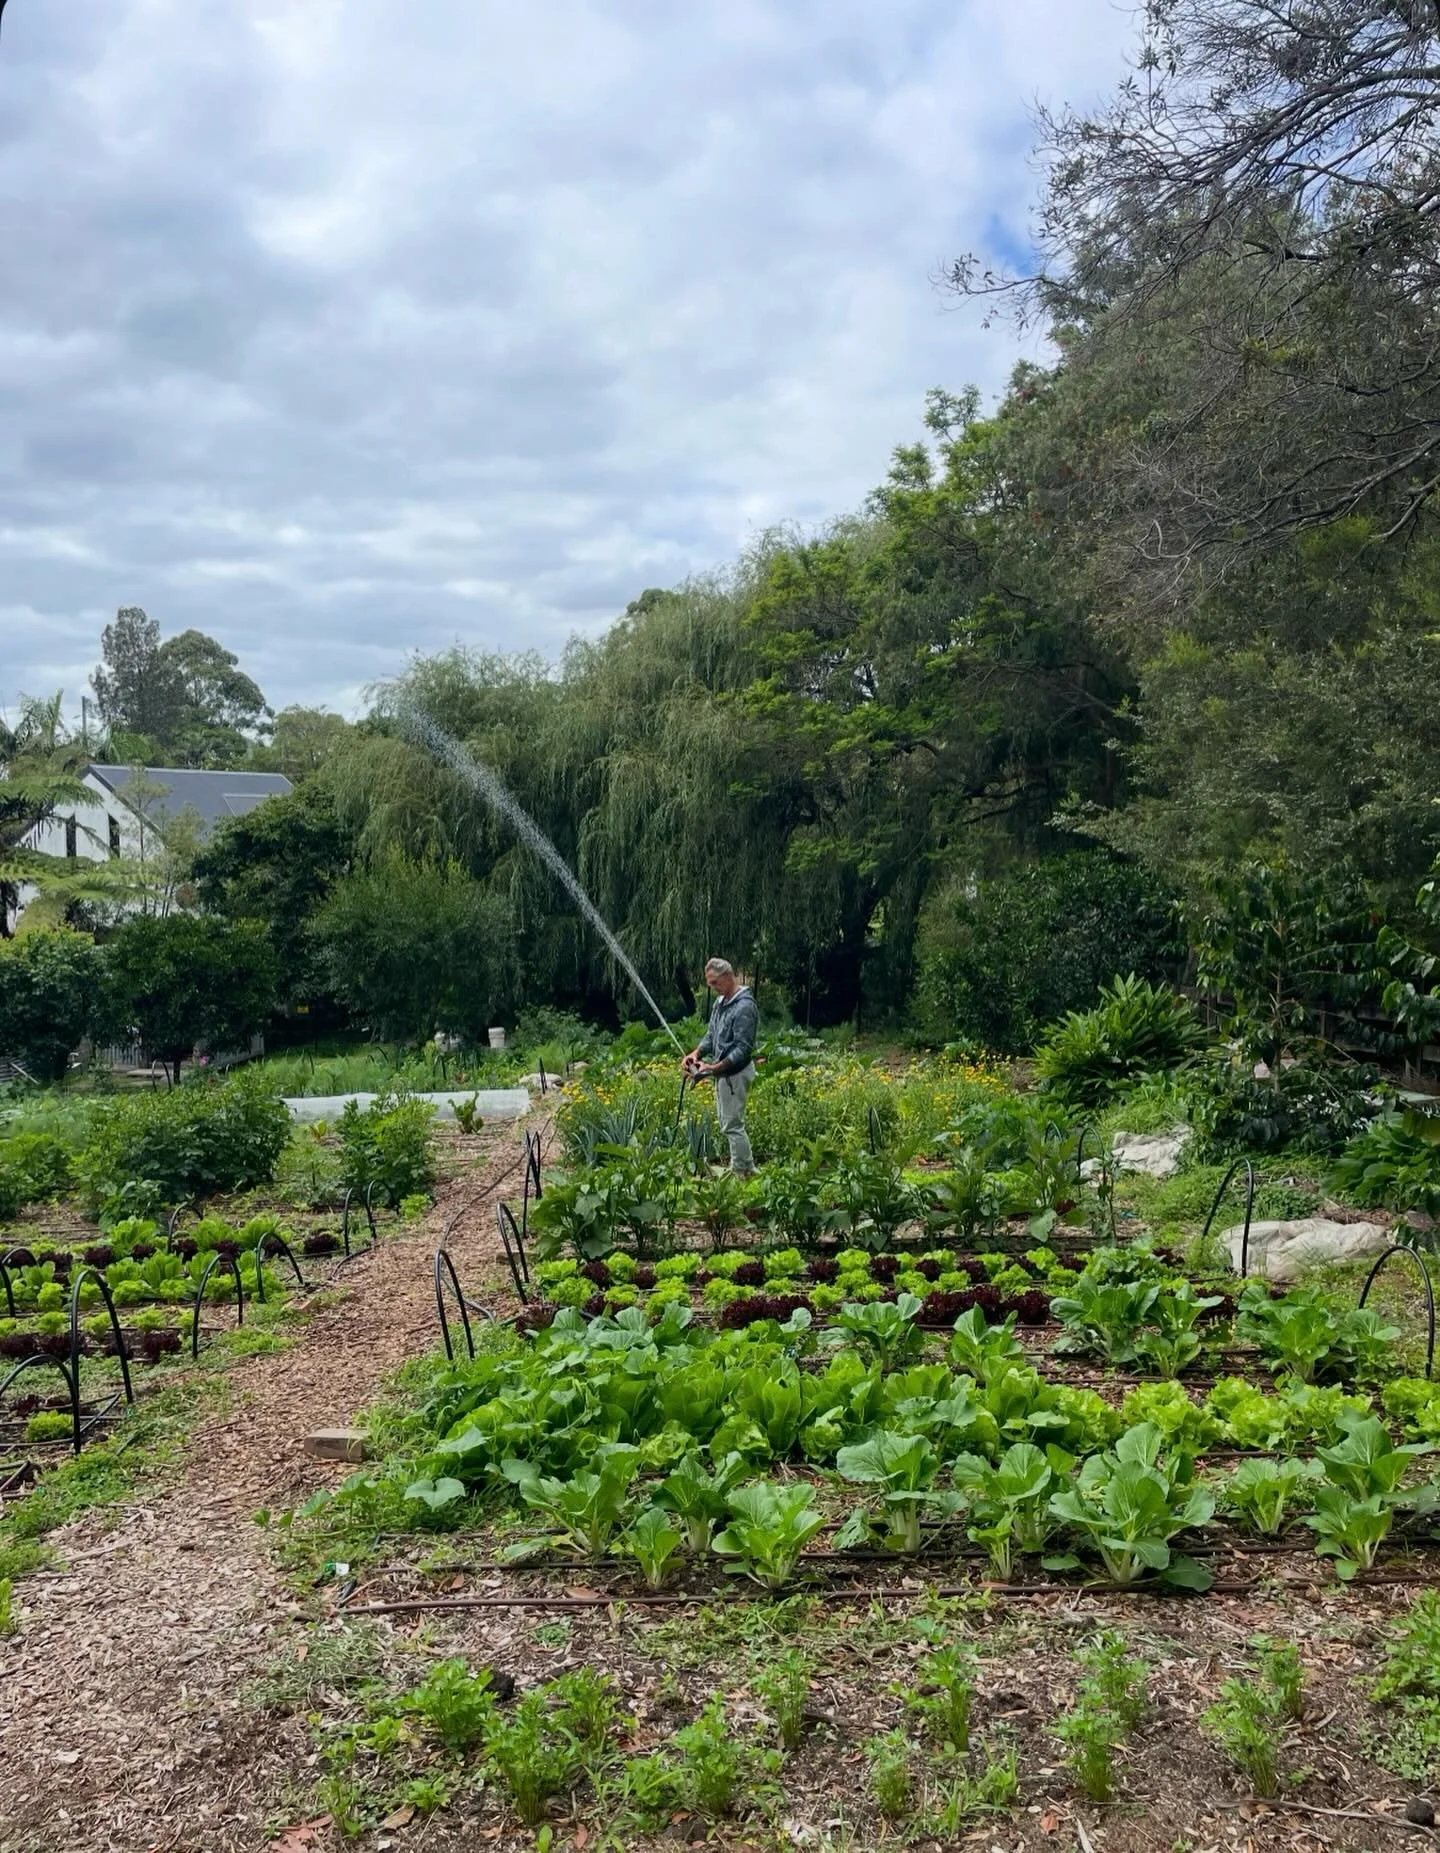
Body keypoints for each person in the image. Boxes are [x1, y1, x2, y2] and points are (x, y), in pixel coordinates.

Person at [683, 958, 759, 1176]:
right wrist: (696, 1054)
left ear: (727, 976)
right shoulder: (720, 1003)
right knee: (729, 1123)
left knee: (733, 1126)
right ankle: (748, 1171)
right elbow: (711, 1035)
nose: (712, 988)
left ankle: (740, 1173)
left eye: (715, 982)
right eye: (710, 983)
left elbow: (742, 1049)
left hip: (735, 1074)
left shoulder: (744, 1007)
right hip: (723, 1074)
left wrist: (714, 1067)